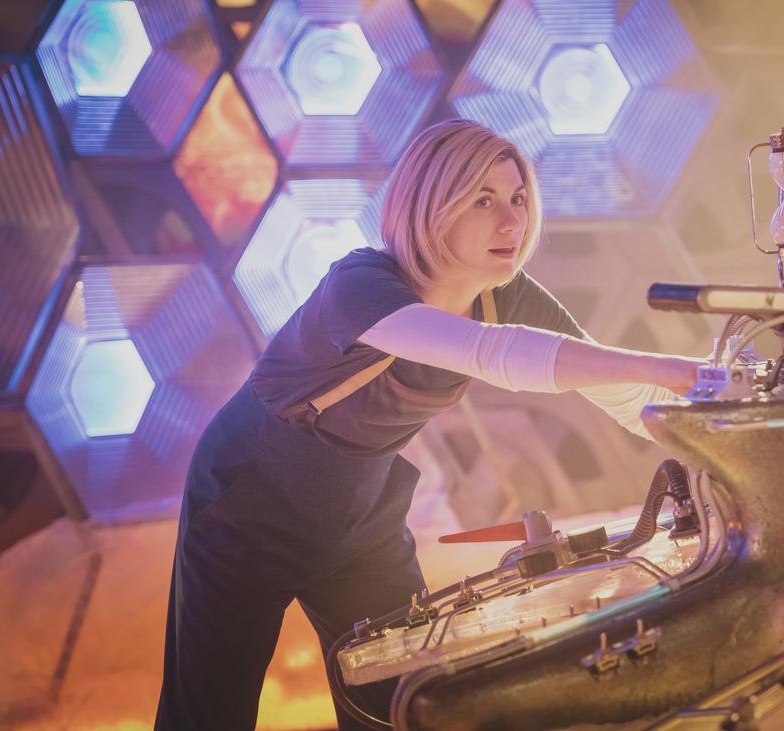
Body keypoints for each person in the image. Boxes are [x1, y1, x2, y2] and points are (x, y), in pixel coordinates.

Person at [155, 119, 701, 730]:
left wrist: (713, 435)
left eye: (518, 198)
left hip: (362, 519)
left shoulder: (503, 292)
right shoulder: (360, 285)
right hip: (249, 504)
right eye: (483, 201)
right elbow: (491, 353)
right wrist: (665, 365)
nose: (512, 223)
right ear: (430, 208)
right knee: (208, 714)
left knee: (403, 705)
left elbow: (619, 390)